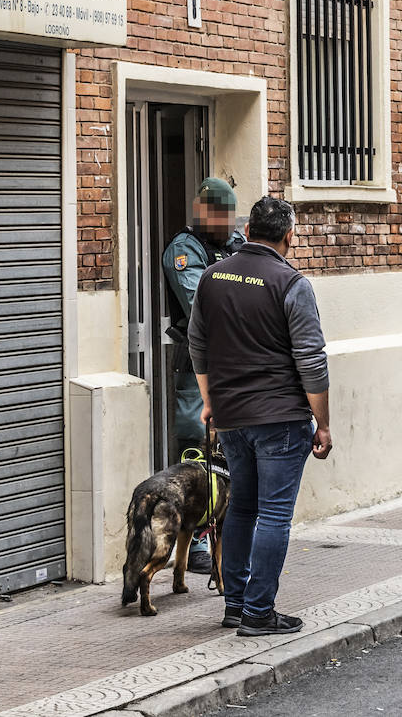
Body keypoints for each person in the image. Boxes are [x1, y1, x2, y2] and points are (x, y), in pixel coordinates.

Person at [189, 196, 333, 636]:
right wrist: (322, 422)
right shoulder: (291, 283)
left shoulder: (212, 277)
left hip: (231, 417)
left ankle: (235, 604)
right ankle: (258, 613)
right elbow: (311, 359)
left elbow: (198, 342)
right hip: (280, 419)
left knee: (242, 508)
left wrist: (209, 401)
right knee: (273, 515)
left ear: (248, 230)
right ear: (289, 236)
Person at [162, 177, 245, 573]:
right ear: (204, 212)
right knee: (196, 447)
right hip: (197, 363)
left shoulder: (236, 244)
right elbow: (200, 304)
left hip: (237, 361)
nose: (231, 224)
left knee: (231, 449)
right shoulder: (184, 249)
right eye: (223, 216)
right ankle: (193, 542)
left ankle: (228, 536)